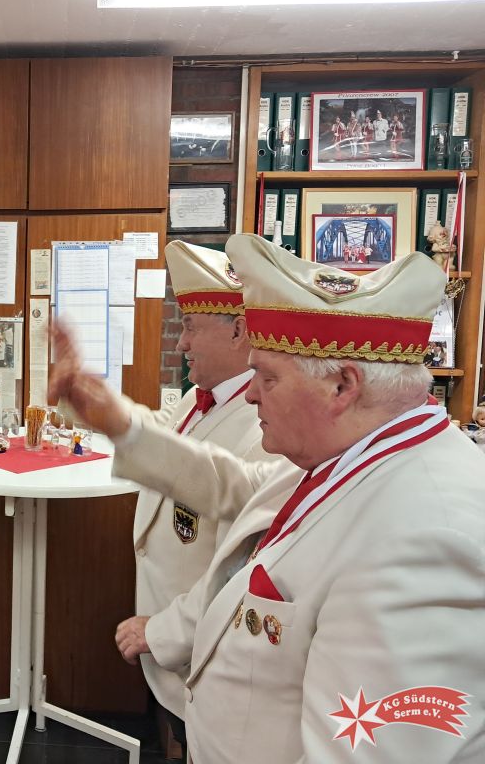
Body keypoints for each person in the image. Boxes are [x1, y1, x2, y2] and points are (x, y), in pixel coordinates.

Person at [58, 233, 485, 762]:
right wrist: (117, 422)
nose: (251, 391)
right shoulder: (347, 455)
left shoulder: (426, 538)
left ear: (342, 385)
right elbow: (238, 485)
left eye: (267, 376)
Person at [52, 241, 279, 746]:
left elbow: (238, 551)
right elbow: (161, 429)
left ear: (239, 331)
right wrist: (92, 403)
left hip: (200, 655)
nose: (181, 344)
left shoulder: (266, 422)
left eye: (191, 327)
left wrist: (167, 630)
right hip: (171, 654)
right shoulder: (202, 398)